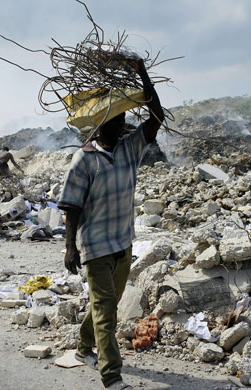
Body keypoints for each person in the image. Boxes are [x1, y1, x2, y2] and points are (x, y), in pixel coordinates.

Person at [57, 57, 163, 390]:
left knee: (107, 305)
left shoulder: (130, 149)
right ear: (101, 124)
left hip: (123, 242)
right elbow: (71, 206)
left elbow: (157, 114)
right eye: (116, 122)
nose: (122, 127)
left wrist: (141, 72)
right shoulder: (84, 159)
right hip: (95, 248)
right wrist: (69, 246)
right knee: (106, 311)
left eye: (124, 121)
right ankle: (112, 377)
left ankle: (83, 345)